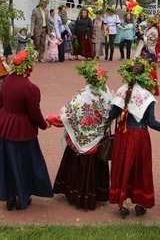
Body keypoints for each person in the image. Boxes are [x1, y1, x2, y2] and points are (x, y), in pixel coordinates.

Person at [0, 46, 54, 211]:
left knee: (7, 163)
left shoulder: (7, 80)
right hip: (21, 131)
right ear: (28, 66)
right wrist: (44, 124)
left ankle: (9, 195)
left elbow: (2, 105)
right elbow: (34, 113)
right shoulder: (30, 88)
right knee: (23, 164)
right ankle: (22, 196)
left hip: (4, 125)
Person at [46, 59, 113, 210]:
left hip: (83, 140)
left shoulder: (84, 94)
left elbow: (67, 115)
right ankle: (95, 194)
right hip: (98, 140)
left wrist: (50, 119)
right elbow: (111, 113)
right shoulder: (107, 92)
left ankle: (75, 193)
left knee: (76, 152)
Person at [108, 58, 160, 218]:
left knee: (123, 166)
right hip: (140, 136)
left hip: (123, 134)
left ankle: (124, 204)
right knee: (140, 168)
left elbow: (112, 115)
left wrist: (113, 103)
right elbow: (152, 122)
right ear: (145, 76)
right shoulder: (146, 96)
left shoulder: (121, 91)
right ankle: (140, 203)